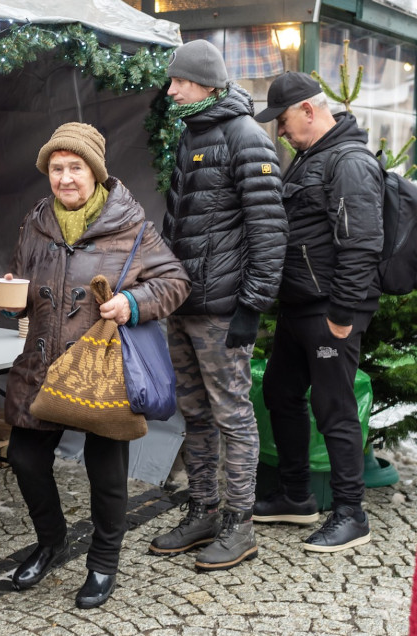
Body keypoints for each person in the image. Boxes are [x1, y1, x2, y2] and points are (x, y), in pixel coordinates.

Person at [0, 122, 190, 609]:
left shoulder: (131, 225)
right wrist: (13, 299)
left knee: (106, 474)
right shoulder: (36, 221)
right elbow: (27, 283)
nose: (65, 178)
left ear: (96, 172)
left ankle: (102, 562)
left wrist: (132, 303)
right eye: (56, 168)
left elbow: (175, 281)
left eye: (75, 168)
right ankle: (52, 540)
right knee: (24, 458)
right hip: (42, 364)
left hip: (101, 369)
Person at [148, 39, 287, 571]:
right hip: (184, 304)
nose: (171, 90)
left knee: (233, 415)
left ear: (206, 82)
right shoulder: (191, 133)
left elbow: (269, 230)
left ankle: (239, 524)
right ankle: (203, 510)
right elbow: (179, 221)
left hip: (224, 310)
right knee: (195, 412)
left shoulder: (246, 136)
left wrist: (252, 305)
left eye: (179, 81)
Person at [252, 72, 384, 552]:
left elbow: (362, 243)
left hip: (330, 308)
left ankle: (351, 514)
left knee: (335, 408)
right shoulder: (311, 157)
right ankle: (296, 495)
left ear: (308, 109)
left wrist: (343, 314)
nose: (280, 131)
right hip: (300, 306)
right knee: (280, 391)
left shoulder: (349, 161)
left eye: (283, 120)